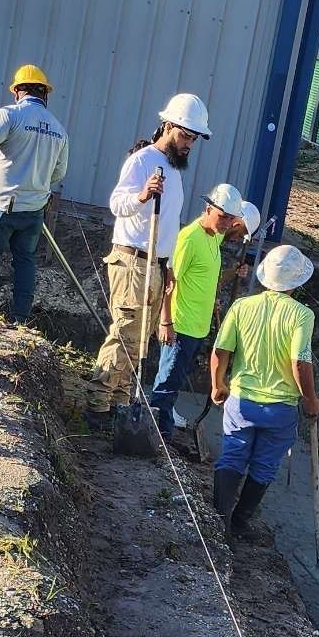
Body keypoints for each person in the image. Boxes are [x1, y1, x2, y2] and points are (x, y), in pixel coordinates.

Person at [92, 93, 211, 407]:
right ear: (168, 126)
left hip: (156, 264)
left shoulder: (172, 170)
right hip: (133, 260)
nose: (189, 144)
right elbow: (117, 204)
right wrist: (142, 196)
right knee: (125, 333)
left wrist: (168, 265)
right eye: (185, 136)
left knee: (140, 341)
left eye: (194, 139)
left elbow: (169, 224)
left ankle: (119, 406)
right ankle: (98, 402)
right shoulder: (143, 160)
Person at [210, 243, 319, 538]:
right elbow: (300, 362)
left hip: (241, 400)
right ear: (297, 282)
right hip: (280, 408)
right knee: (265, 465)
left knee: (232, 455)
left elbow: (221, 351)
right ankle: (240, 522)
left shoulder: (242, 306)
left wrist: (217, 384)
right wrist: (310, 399)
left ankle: (219, 521)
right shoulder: (301, 315)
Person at [0, 63, 69, 324]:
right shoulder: (59, 130)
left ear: (18, 91)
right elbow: (58, 174)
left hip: (0, 204)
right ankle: (20, 318)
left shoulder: (9, 115)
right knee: (25, 261)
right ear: (45, 94)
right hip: (33, 211)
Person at [148, 181, 246, 445]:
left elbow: (205, 279)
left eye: (230, 219)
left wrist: (231, 275)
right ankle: (156, 438)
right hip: (180, 326)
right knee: (167, 384)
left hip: (197, 327)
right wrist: (166, 320)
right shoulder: (189, 238)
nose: (226, 223)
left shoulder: (213, 238)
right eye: (222, 216)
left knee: (174, 381)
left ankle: (159, 435)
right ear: (208, 208)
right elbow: (171, 279)